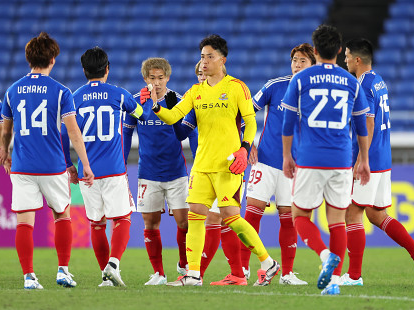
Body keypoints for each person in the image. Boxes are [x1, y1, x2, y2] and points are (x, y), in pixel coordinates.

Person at [149, 34, 280, 286]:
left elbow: (251, 121)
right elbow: (175, 115)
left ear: (222, 60)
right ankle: (194, 274)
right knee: (196, 215)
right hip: (201, 165)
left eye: (209, 56)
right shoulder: (195, 91)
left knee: (230, 217)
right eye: (202, 57)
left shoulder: (236, 87)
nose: (204, 61)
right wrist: (156, 106)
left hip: (228, 165)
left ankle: (268, 262)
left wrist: (244, 149)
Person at [0, 32, 94, 290]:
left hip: (22, 165)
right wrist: (84, 163)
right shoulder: (61, 92)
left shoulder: (12, 90)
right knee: (62, 215)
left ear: (29, 58)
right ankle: (63, 271)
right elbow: (73, 132)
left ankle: (29, 276)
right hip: (52, 166)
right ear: (52, 59)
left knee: (24, 221)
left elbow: (7, 130)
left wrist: (4, 151)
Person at [282, 25, 371, 295]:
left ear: (316, 51)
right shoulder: (352, 82)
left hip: (310, 158)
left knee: (299, 215)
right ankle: (333, 282)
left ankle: (323, 255)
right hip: (342, 159)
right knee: (337, 221)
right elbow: (361, 126)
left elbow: (287, 122)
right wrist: (364, 159)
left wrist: (287, 155)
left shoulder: (301, 79)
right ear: (340, 51)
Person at [341, 38, 414, 286]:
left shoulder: (362, 84)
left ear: (358, 59)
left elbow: (368, 122)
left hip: (369, 158)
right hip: (383, 157)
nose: (345, 59)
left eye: (348, 55)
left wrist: (362, 159)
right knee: (376, 214)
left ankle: (354, 276)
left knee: (352, 213)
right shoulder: (378, 81)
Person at [69, 46, 147, 287]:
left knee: (96, 223)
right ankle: (113, 264)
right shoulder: (119, 94)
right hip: (113, 168)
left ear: (84, 70)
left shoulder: (74, 97)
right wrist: (140, 100)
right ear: (107, 69)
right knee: (122, 219)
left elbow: (66, 133)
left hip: (86, 171)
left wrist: (69, 164)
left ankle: (106, 276)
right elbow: (141, 114)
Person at [241, 43, 316, 286]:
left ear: (312, 64)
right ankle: (242, 270)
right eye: (295, 59)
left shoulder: (316, 94)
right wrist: (248, 142)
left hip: (294, 168)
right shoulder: (275, 86)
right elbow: (245, 113)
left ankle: (287, 274)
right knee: (251, 216)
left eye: (303, 60)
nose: (297, 64)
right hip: (264, 162)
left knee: (288, 219)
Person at [123, 57, 198, 286]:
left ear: (168, 77)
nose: (156, 83)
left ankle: (184, 264)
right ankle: (158, 273)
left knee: (184, 222)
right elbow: (126, 135)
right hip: (148, 173)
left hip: (177, 172)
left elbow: (192, 134)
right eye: (152, 78)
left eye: (160, 78)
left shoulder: (179, 101)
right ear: (145, 78)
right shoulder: (136, 103)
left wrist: (197, 163)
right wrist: (122, 165)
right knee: (150, 223)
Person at [173, 60, 247, 285]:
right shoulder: (198, 103)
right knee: (220, 221)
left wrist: (245, 149)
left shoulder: (229, 98)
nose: (202, 79)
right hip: (204, 170)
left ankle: (198, 274)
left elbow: (242, 128)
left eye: (204, 75)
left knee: (216, 219)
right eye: (198, 76)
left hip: (226, 168)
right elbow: (181, 133)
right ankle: (237, 274)